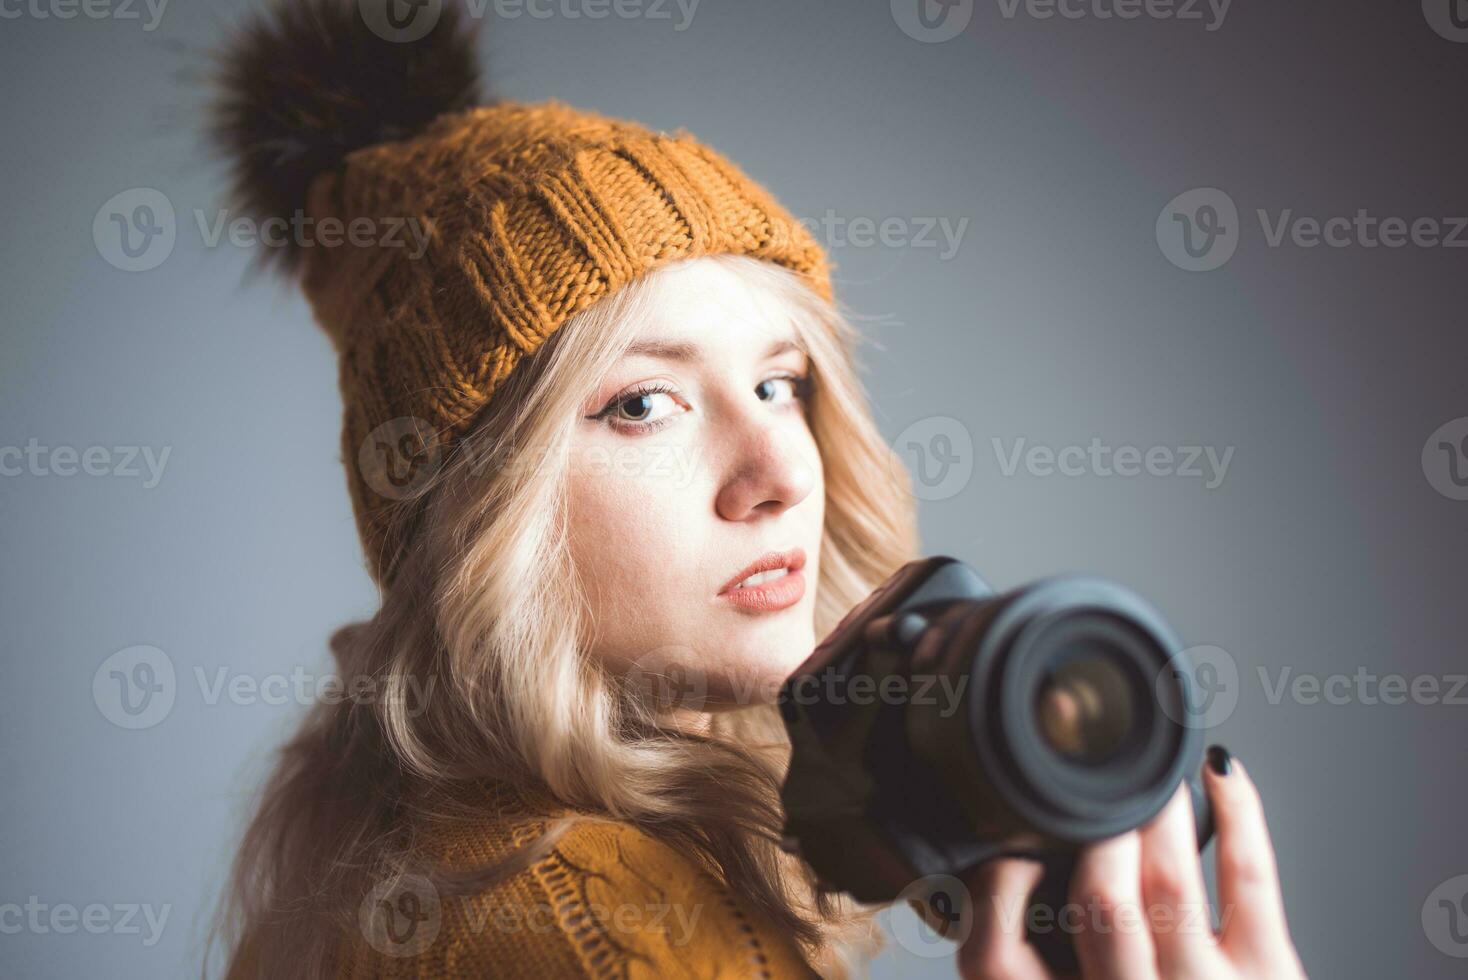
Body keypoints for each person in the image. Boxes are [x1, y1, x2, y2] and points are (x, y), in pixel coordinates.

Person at [206, 3, 1308, 977]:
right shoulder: (611, 936)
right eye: (643, 403)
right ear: (471, 516)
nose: (779, 474)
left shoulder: (424, 861)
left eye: (779, 381)